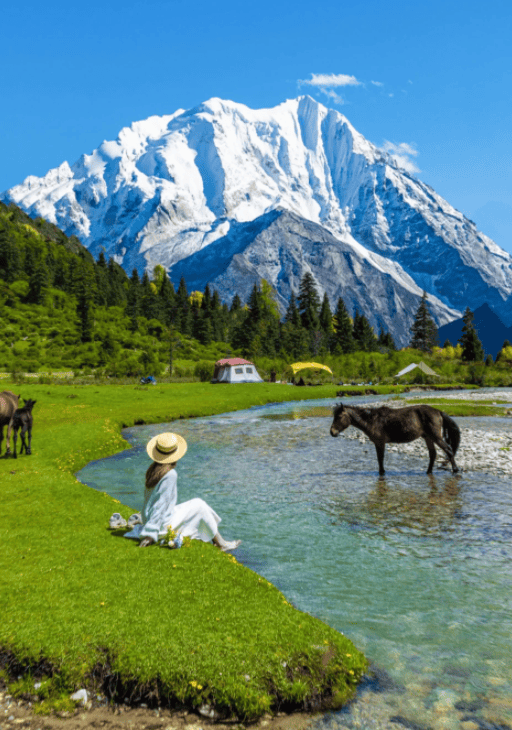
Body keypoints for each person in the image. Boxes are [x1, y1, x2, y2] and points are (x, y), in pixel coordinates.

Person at [123, 432, 241, 552]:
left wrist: (147, 522)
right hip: (161, 525)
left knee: (197, 504)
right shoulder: (170, 474)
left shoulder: (153, 470)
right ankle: (221, 544)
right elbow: (161, 505)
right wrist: (150, 533)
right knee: (200, 506)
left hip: (152, 519)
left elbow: (153, 503)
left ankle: (218, 541)